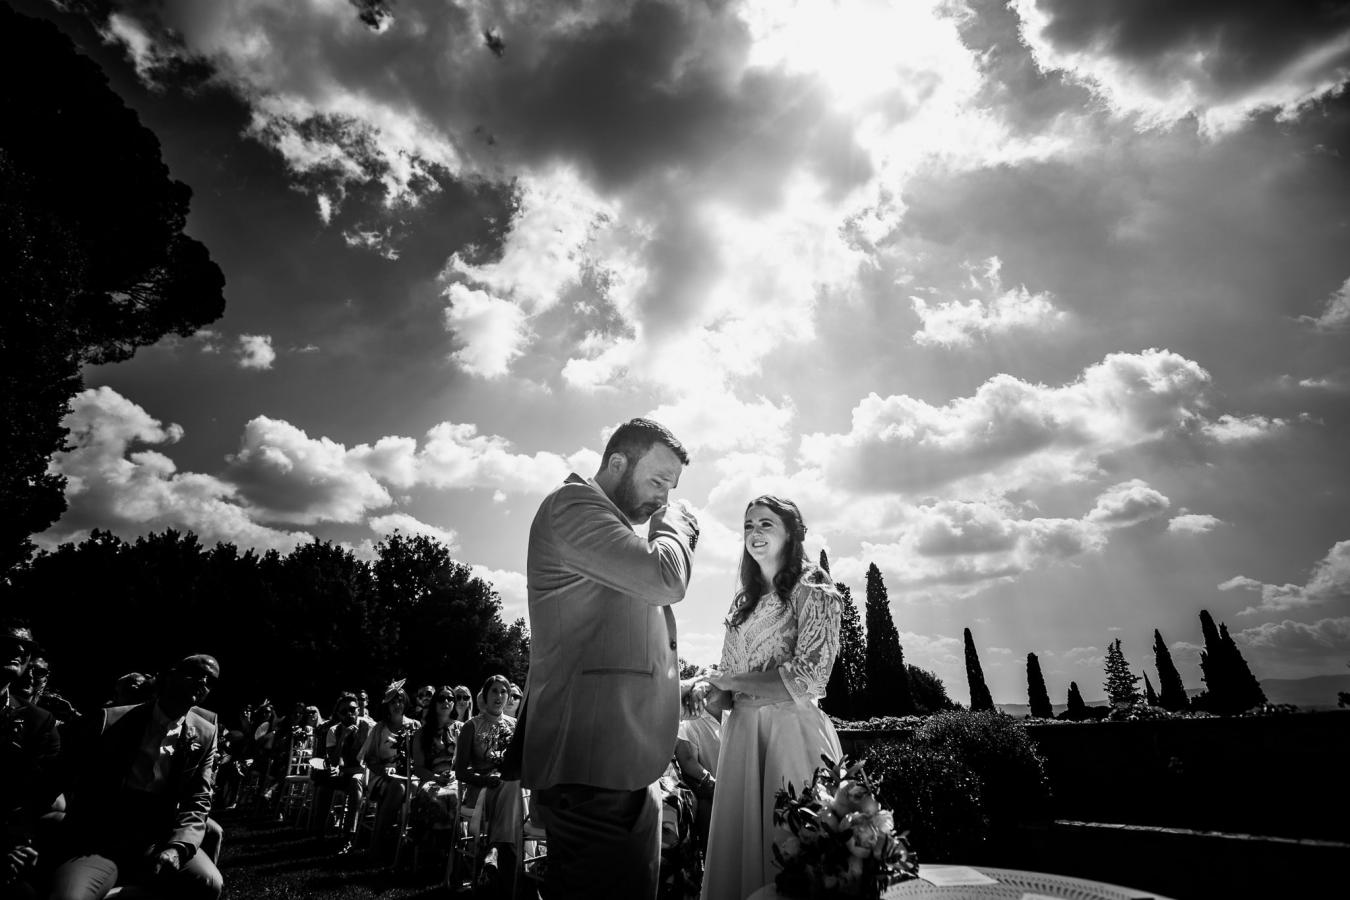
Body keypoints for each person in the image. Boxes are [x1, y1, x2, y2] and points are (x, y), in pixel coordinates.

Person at [521, 416, 700, 900]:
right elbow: (665, 578)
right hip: (592, 768)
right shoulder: (572, 506)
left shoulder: (609, 528)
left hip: (617, 763)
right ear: (617, 462)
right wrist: (676, 527)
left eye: (673, 488)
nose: (665, 496)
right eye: (658, 480)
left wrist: (678, 689)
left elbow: (610, 642)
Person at [697, 496, 843, 900]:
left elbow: (810, 678)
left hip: (790, 735)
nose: (754, 533)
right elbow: (729, 688)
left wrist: (728, 680)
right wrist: (710, 695)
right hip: (742, 736)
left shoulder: (813, 588)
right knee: (740, 857)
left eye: (765, 524)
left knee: (794, 851)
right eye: (748, 526)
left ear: (791, 534)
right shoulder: (741, 601)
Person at [49, 654, 224, 900]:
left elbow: (198, 798)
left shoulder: (204, 732)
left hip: (157, 837)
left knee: (209, 882)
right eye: (195, 673)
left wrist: (176, 848)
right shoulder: (112, 720)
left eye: (210, 680)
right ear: (171, 674)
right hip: (101, 837)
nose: (202, 681)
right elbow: (61, 774)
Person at [1, 621, 61, 900]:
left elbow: (31, 794)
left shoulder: (39, 722)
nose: (19, 650)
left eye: (26, 649)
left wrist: (17, 844)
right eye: (8, 643)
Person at [453, 675, 522, 897]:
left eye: (504, 692)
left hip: (511, 788)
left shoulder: (515, 726)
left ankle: (495, 850)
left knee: (513, 785)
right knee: (511, 787)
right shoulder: (471, 726)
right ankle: (506, 860)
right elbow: (460, 771)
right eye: (495, 691)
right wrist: (485, 779)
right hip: (481, 789)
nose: (500, 696)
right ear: (485, 695)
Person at [360, 682, 419, 862]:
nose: (397, 705)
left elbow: (422, 756)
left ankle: (411, 844)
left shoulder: (415, 726)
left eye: (400, 701)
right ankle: (377, 843)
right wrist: (383, 770)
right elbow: (369, 759)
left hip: (410, 774)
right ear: (387, 705)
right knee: (398, 788)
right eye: (393, 701)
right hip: (382, 776)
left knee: (415, 787)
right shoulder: (379, 729)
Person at [311, 695, 371, 852]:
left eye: (352, 709)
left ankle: (349, 836)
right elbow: (334, 763)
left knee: (355, 781)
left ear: (358, 710)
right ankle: (319, 833)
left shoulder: (369, 727)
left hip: (364, 774)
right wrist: (343, 739)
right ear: (338, 714)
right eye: (344, 711)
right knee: (324, 785)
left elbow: (370, 760)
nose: (349, 714)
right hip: (343, 773)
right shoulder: (333, 731)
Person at [409, 687, 460, 837]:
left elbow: (468, 762)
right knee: (434, 795)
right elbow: (417, 768)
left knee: (455, 794)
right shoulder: (422, 734)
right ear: (434, 703)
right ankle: (436, 846)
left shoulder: (462, 729)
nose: (446, 701)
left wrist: (455, 774)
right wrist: (436, 778)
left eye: (450, 698)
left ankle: (452, 847)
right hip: (431, 779)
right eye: (441, 698)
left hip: (456, 779)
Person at [674, 702, 722, 857]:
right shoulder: (692, 722)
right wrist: (711, 783)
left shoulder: (735, 712)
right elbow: (687, 760)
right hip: (710, 795)